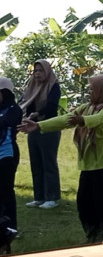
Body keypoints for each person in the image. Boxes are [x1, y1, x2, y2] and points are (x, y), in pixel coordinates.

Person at [20, 75, 103, 243]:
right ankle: (92, 235)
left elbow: (99, 120)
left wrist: (82, 120)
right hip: (90, 162)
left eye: (93, 89)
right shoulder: (87, 107)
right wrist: (39, 125)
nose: (90, 92)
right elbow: (64, 119)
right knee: (84, 202)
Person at [19, 60, 62, 209]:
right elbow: (26, 103)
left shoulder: (53, 86)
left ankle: (52, 198)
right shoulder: (31, 86)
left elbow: (52, 107)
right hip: (33, 128)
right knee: (36, 162)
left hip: (49, 127)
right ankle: (39, 197)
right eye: (35, 71)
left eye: (41, 70)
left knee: (48, 162)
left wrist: (37, 114)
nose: (37, 74)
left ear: (47, 71)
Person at [0, 77, 23, 235]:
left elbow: (7, 123)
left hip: (7, 155)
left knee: (6, 192)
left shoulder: (14, 109)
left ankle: (11, 227)